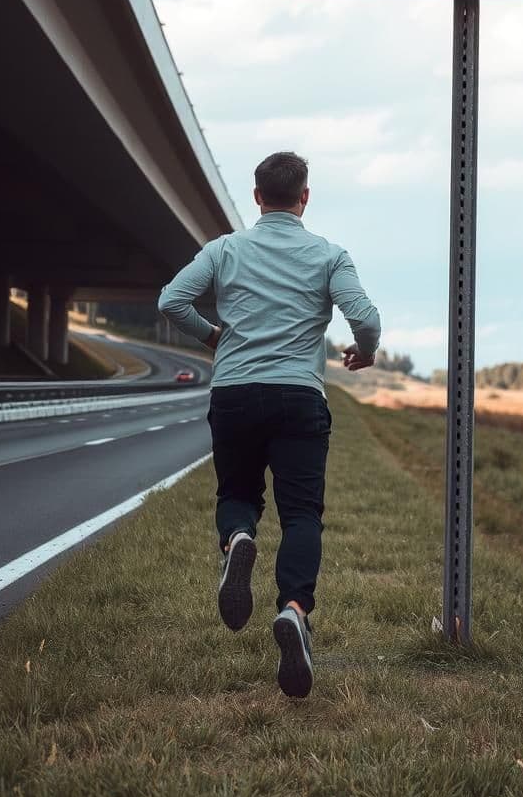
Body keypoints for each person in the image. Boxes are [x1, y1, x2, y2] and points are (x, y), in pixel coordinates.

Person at [157, 150, 380, 699]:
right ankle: (295, 611)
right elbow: (366, 319)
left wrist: (215, 337)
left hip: (234, 392)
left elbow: (172, 300)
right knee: (302, 512)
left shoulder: (225, 249)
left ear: (256, 197)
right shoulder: (329, 255)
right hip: (300, 397)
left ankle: (236, 541)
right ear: (305, 197)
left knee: (237, 493)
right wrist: (364, 351)